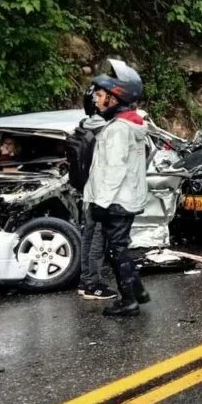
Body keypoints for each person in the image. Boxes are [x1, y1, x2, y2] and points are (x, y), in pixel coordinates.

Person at [83, 68, 151, 316]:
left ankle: (129, 301)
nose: (95, 99)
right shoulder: (125, 125)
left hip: (116, 200)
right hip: (124, 198)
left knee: (116, 251)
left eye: (100, 95)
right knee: (119, 247)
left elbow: (113, 170)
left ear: (115, 98)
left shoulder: (119, 130)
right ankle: (139, 291)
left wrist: (99, 203)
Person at [76, 100, 113, 301]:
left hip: (88, 192)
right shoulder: (106, 129)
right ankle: (93, 285)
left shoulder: (83, 126)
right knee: (98, 238)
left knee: (88, 236)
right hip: (101, 193)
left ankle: (84, 281)